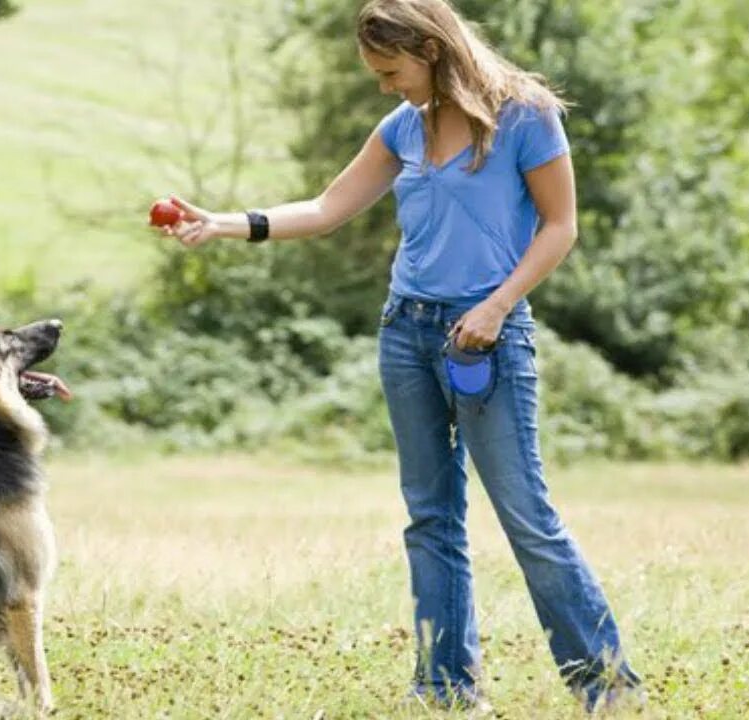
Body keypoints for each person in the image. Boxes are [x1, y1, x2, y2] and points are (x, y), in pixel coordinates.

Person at [154, 0, 642, 712]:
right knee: (431, 516)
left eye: (391, 71)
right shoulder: (403, 128)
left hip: (489, 338)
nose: (385, 86)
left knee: (525, 514)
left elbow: (561, 226)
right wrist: (221, 224)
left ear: (430, 49)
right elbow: (325, 210)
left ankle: (605, 685)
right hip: (406, 333)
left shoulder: (525, 116)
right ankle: (445, 687)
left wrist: (498, 305)